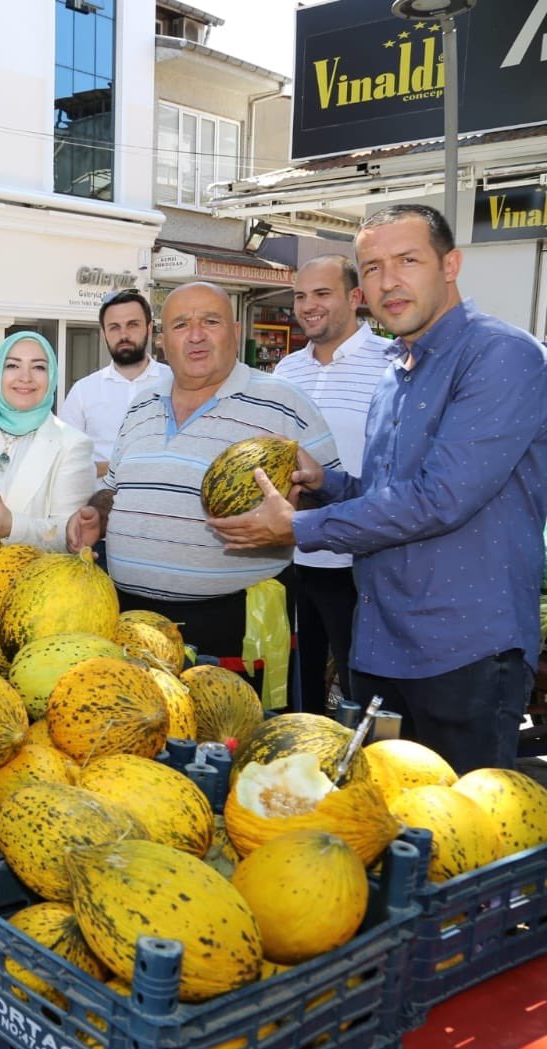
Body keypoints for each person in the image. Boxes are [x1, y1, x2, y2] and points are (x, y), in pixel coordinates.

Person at [210, 205, 547, 773]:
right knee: (389, 822)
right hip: (385, 642)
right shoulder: (397, 370)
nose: (388, 281)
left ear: (451, 264)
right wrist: (327, 483)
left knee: (461, 837)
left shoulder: (502, 357)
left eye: (407, 260)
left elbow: (440, 500)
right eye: (371, 268)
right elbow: (389, 493)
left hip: (465, 649)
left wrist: (298, 528)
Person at [65, 282, 338, 681]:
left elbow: (331, 495)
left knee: (226, 738)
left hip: (235, 628)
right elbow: (116, 487)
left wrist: (290, 523)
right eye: (180, 325)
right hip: (129, 619)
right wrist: (98, 514)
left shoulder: (284, 401)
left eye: (210, 321)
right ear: (163, 340)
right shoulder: (141, 404)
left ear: (236, 330)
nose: (195, 335)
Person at [270, 257, 397, 713]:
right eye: (300, 296)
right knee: (295, 690)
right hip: (289, 554)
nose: (308, 306)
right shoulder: (285, 372)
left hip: (357, 558)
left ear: (354, 298)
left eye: (322, 294)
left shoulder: (392, 365)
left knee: (362, 688)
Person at [0, 332, 93, 551]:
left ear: (51, 376)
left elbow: (69, 535)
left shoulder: (73, 445)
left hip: (32, 580)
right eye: (12, 365)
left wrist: (12, 526)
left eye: (38, 367)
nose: (25, 377)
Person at [58, 289, 173, 479]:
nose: (124, 334)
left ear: (149, 328)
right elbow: (65, 460)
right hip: (99, 506)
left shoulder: (175, 382)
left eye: (132, 325)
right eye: (114, 327)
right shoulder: (83, 391)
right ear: (103, 334)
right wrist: (117, 468)